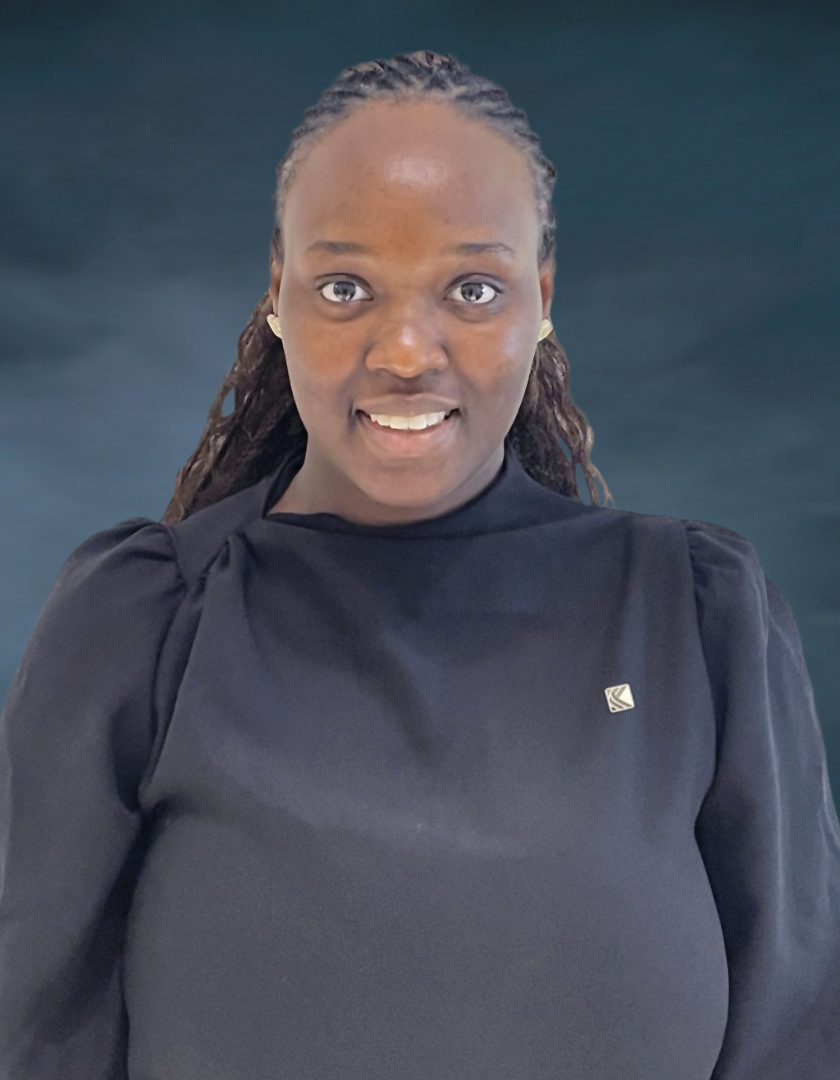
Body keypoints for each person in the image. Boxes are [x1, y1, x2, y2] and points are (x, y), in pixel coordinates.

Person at [1, 49, 838, 1080]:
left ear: (541, 299)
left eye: (473, 289)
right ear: (278, 293)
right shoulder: (149, 620)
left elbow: (799, 1031)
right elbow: (31, 1037)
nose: (405, 348)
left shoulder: (697, 615)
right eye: (345, 285)